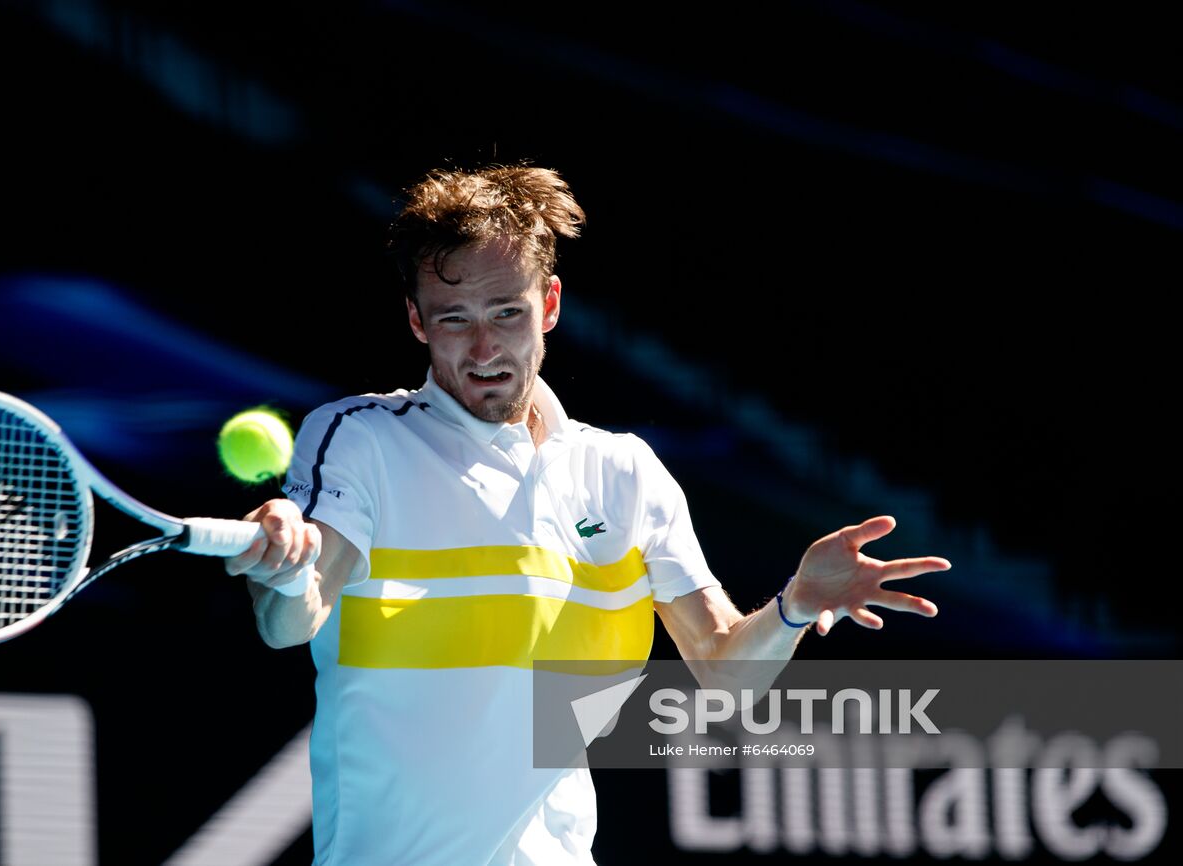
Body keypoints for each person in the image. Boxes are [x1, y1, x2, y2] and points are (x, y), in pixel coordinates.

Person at [224, 164, 950, 865]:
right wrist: (286, 570)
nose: (484, 348)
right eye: (454, 320)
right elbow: (291, 622)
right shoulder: (360, 439)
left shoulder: (623, 472)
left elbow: (725, 672)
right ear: (417, 320)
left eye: (507, 313)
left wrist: (794, 607)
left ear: (549, 304)